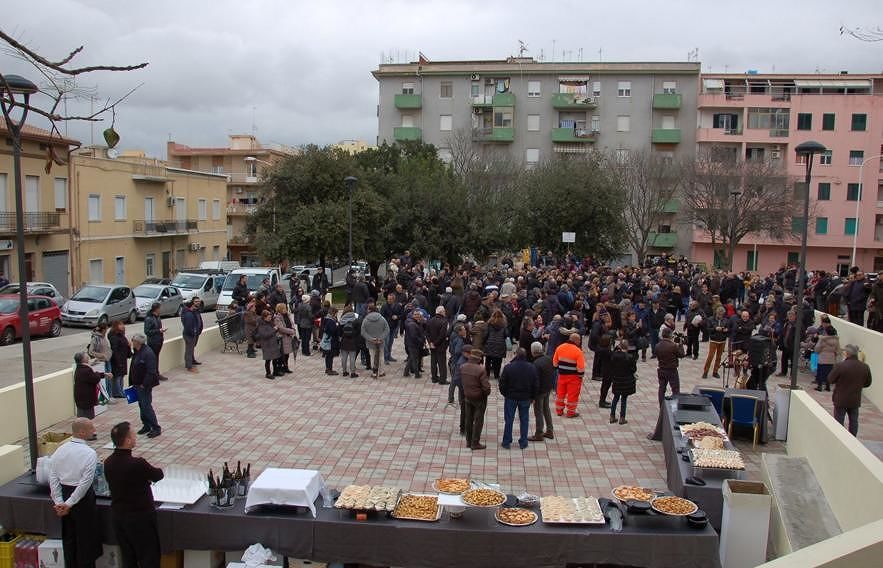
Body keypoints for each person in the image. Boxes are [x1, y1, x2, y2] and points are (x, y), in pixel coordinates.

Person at [104, 421, 164, 568]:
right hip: (140, 517)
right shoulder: (137, 463)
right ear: (128, 440)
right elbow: (158, 474)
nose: (135, 438)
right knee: (148, 556)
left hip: (119, 516)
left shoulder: (108, 462)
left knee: (128, 556)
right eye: (133, 435)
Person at [48, 418, 102, 568]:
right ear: (82, 432)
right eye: (91, 428)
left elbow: (53, 476)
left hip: (64, 493)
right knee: (86, 537)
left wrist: (59, 501)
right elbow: (85, 483)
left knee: (69, 537)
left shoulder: (60, 450)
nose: (94, 431)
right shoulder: (89, 453)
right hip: (82, 499)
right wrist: (68, 503)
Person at [648, 327, 685, 441]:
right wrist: (680, 345)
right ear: (669, 335)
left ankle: (661, 405)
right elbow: (681, 355)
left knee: (661, 388)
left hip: (661, 369)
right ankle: (675, 407)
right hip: (672, 370)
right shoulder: (673, 346)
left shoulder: (658, 345)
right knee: (675, 389)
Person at [827, 344, 873, 436]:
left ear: (847, 354)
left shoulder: (840, 366)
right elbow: (868, 383)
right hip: (855, 398)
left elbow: (830, 379)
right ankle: (852, 438)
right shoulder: (865, 366)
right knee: (854, 421)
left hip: (841, 398)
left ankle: (839, 437)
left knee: (839, 420)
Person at [499, 348, 539, 450]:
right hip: (525, 398)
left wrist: (505, 394)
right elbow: (535, 384)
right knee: (524, 420)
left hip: (511, 397)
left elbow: (502, 384)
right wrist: (533, 397)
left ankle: (506, 442)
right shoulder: (532, 368)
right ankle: (523, 442)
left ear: (516, 355)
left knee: (509, 420)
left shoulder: (508, 368)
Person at [129, 333, 161, 438]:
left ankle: (156, 428)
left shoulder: (147, 353)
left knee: (146, 406)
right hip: (137, 384)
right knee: (142, 405)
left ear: (137, 342)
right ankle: (146, 425)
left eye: (132, 340)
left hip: (144, 385)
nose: (131, 341)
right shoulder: (138, 351)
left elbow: (151, 371)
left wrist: (144, 384)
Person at [460, 349, 490, 450]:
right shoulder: (481, 370)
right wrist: (485, 393)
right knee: (478, 420)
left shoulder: (463, 367)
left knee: (469, 419)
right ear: (480, 358)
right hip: (479, 398)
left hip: (467, 396)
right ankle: (475, 442)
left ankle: (468, 441)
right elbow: (486, 388)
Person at [553, 333, 586, 418]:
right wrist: (581, 376)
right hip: (574, 377)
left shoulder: (559, 347)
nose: (580, 342)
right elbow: (581, 368)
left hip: (561, 375)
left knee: (560, 394)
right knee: (572, 395)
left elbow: (555, 363)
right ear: (575, 340)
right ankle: (571, 412)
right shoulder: (578, 351)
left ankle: (559, 411)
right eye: (579, 340)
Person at [73, 352, 109, 426]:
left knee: (82, 416)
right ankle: (87, 433)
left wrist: (103, 374)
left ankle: (84, 432)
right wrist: (103, 374)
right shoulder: (86, 370)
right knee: (87, 418)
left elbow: (92, 375)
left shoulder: (79, 368)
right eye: (87, 357)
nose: (89, 358)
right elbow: (95, 378)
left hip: (81, 398)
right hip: (86, 399)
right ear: (84, 359)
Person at [528, 341, 555, 442]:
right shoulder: (548, 359)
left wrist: (533, 396)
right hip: (547, 388)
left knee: (538, 412)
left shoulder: (536, 363)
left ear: (533, 351)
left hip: (540, 391)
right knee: (546, 409)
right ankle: (549, 430)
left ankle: (539, 433)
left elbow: (536, 382)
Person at [609, 339, 637, 425]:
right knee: (624, 399)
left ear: (619, 346)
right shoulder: (630, 357)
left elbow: (612, 366)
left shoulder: (614, 355)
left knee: (615, 398)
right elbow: (633, 369)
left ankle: (612, 416)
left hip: (617, 379)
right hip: (626, 380)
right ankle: (622, 417)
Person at [360, 301, 389, 379]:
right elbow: (387, 330)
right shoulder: (382, 319)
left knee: (372, 356)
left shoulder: (365, 320)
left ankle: (374, 372)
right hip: (381, 342)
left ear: (369, 310)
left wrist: (371, 339)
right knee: (381, 357)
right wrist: (380, 338)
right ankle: (382, 372)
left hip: (371, 342)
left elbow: (363, 332)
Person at [253, 310, 282, 379]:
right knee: (268, 359)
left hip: (273, 343)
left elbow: (273, 330)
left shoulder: (270, 323)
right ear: (264, 317)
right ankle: (268, 373)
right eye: (268, 317)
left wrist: (276, 329)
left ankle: (275, 371)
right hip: (267, 344)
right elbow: (265, 335)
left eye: (270, 317)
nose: (270, 318)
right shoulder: (261, 325)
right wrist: (274, 330)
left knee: (275, 358)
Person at [142, 303, 167, 382]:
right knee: (152, 359)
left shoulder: (157, 317)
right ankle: (153, 375)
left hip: (159, 341)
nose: (161, 310)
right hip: (153, 342)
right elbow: (147, 331)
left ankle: (156, 373)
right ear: (156, 309)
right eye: (160, 308)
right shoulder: (149, 319)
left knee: (156, 358)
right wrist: (158, 330)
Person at [107, 320, 132, 398]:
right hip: (118, 360)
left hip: (123, 358)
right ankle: (117, 392)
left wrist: (129, 347)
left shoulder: (121, 335)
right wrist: (118, 361)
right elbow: (115, 350)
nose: (122, 326)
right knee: (117, 377)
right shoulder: (114, 336)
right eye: (120, 325)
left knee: (121, 376)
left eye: (122, 324)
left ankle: (120, 391)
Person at [702, 306, 728, 379]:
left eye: (722, 314)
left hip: (722, 340)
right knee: (710, 356)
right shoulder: (710, 319)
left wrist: (725, 330)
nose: (720, 316)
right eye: (719, 314)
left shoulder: (725, 320)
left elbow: (728, 329)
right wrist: (715, 329)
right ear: (717, 313)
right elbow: (708, 329)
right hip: (714, 340)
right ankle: (705, 371)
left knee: (719, 357)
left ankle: (715, 371)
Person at [426, 306, 450, 384]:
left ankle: (434, 378)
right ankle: (442, 380)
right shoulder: (444, 321)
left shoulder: (430, 320)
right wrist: (435, 343)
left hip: (432, 345)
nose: (445, 313)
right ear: (442, 312)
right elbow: (442, 335)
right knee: (442, 363)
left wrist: (430, 343)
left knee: (433, 362)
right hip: (440, 346)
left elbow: (427, 333)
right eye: (444, 311)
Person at [483, 309, 509, 380]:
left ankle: (487, 374)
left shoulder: (489, 323)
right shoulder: (503, 324)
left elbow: (486, 334)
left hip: (490, 343)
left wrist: (484, 342)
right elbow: (506, 334)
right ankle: (496, 375)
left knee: (488, 360)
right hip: (500, 345)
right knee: (498, 361)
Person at [814, 323, 840, 391]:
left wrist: (817, 351)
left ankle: (819, 386)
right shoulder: (836, 340)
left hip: (822, 358)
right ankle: (827, 386)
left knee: (820, 372)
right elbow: (838, 350)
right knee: (829, 373)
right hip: (831, 359)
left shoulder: (822, 339)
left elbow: (817, 348)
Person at [180, 297, 204, 373]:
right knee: (189, 350)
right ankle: (189, 366)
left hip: (195, 333)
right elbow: (188, 326)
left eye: (199, 301)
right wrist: (193, 332)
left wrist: (198, 331)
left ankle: (192, 361)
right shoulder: (188, 314)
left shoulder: (196, 311)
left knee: (192, 348)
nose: (198, 303)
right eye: (196, 301)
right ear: (192, 303)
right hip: (190, 335)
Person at [273, 303, 297, 375]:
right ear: (280, 309)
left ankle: (285, 367)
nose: (285, 310)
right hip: (283, 337)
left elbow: (292, 323)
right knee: (281, 354)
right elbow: (281, 328)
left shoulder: (287, 315)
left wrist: (293, 328)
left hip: (289, 337)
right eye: (284, 308)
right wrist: (291, 331)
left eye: (285, 308)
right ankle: (280, 368)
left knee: (287, 354)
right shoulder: (277, 317)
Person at [338, 306, 361, 378]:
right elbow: (358, 332)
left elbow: (339, 332)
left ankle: (344, 371)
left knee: (344, 357)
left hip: (344, 341)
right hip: (353, 341)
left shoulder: (342, 320)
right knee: (352, 357)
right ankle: (353, 373)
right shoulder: (356, 320)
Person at [403, 309, 426, 379]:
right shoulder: (412, 324)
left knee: (411, 358)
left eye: (418, 314)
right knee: (414, 360)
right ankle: (417, 374)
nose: (417, 316)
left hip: (412, 344)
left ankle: (406, 372)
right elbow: (414, 336)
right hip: (413, 344)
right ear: (412, 315)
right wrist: (421, 341)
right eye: (415, 315)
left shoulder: (415, 322)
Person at [380, 293, 403, 363]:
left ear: (393, 299)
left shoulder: (398, 306)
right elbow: (381, 316)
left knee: (390, 342)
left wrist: (397, 317)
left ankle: (389, 356)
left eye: (390, 299)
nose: (388, 300)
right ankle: (386, 358)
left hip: (394, 327)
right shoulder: (384, 306)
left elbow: (402, 314)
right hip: (386, 327)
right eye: (388, 299)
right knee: (386, 343)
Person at [320, 306, 340, 375]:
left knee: (328, 355)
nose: (337, 315)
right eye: (336, 313)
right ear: (333, 313)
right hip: (331, 341)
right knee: (330, 356)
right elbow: (332, 330)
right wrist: (337, 326)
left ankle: (327, 368)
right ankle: (329, 369)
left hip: (328, 340)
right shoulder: (331, 320)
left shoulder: (326, 319)